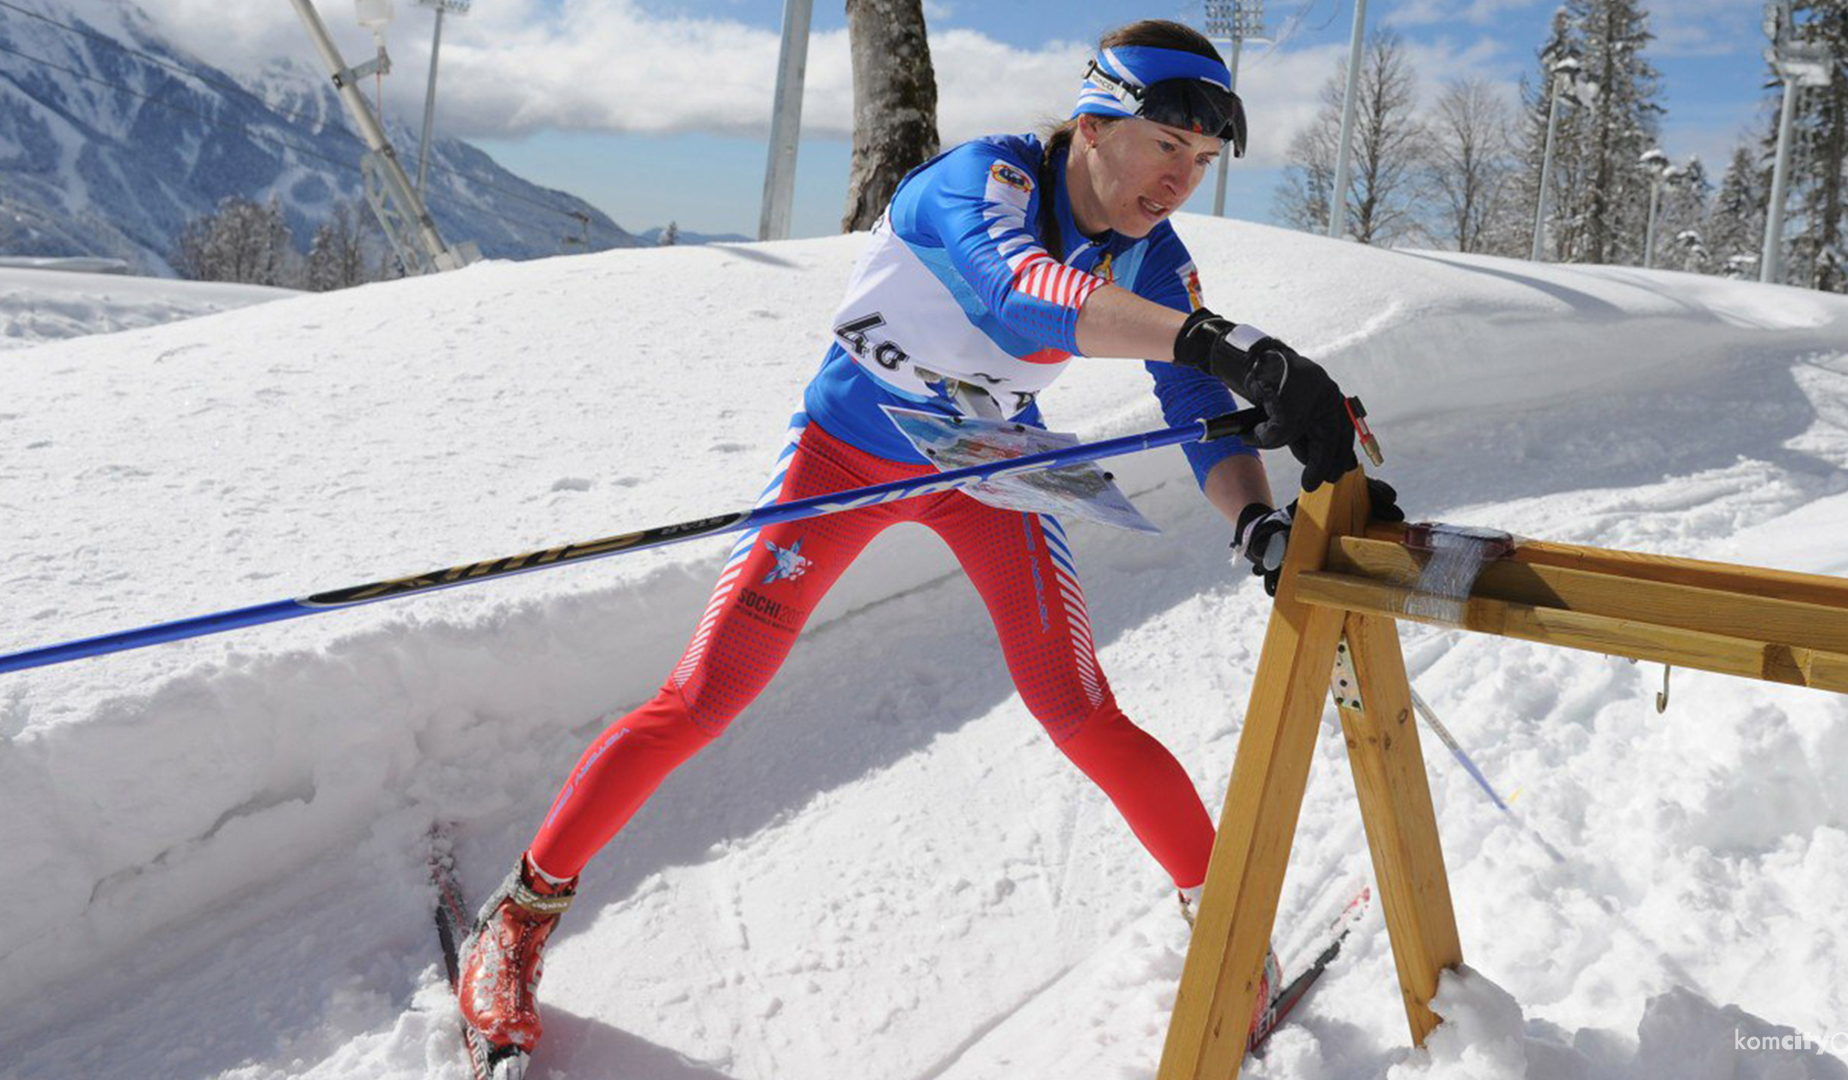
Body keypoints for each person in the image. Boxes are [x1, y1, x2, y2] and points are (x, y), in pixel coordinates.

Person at [458, 17, 1400, 1056]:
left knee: (1079, 709)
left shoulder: (1158, 259)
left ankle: (1227, 935)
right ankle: (518, 916)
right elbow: (1021, 291)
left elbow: (1188, 399)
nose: (1183, 179)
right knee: (704, 698)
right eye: (1169, 146)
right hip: (844, 455)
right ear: (1095, 121)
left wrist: (1255, 517)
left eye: (1205, 162)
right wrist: (1236, 348)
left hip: (985, 471)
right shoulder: (983, 180)